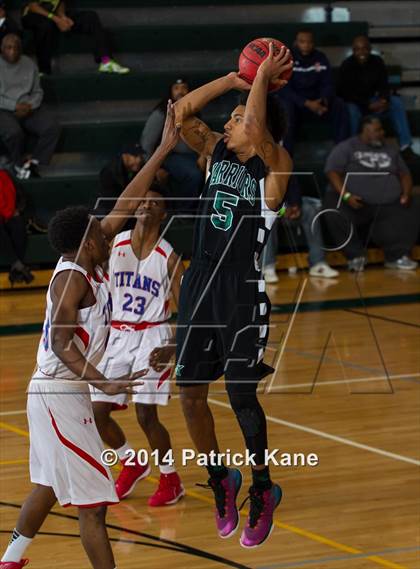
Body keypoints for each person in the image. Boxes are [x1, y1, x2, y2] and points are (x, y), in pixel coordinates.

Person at [0, 102, 179, 569]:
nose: (107, 234)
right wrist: (104, 382)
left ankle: (11, 560)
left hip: (63, 393)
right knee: (95, 507)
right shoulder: (71, 278)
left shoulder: (89, 253)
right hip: (59, 392)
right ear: (87, 243)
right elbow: (61, 343)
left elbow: (123, 202)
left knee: (48, 484)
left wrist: (160, 150)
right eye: (99, 234)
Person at [173, 43, 293, 548]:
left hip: (240, 290)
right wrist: (231, 81)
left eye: (240, 117)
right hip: (200, 281)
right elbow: (182, 113)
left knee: (241, 396)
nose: (229, 123)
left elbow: (259, 133)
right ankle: (222, 477)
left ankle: (263, 488)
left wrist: (263, 77)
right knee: (191, 395)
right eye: (231, 117)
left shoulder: (276, 165)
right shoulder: (214, 154)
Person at [90, 184, 185, 507]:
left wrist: (174, 347)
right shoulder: (114, 244)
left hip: (153, 337)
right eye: (142, 200)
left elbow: (189, 311)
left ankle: (171, 479)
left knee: (146, 415)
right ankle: (131, 462)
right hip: (117, 335)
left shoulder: (168, 256)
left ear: (163, 213)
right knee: (97, 410)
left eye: (154, 202)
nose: (145, 204)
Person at [323, 116, 419, 271]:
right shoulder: (347, 147)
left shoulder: (389, 149)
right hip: (355, 201)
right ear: (365, 131)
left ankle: (397, 256)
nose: (382, 133)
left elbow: (404, 174)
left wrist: (406, 193)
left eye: (381, 129)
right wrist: (346, 195)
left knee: (413, 203)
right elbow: (332, 171)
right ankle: (355, 257)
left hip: (388, 203)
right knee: (333, 205)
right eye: (377, 130)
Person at [337, 35, 419, 163]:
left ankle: (405, 146)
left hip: (374, 100)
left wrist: (384, 100)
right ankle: (355, 149)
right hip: (357, 103)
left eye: (364, 48)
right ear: (353, 51)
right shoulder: (347, 65)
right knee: (350, 109)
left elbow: (384, 85)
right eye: (358, 49)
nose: (361, 52)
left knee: (396, 102)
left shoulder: (377, 61)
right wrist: (368, 105)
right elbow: (345, 93)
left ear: (370, 49)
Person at [275, 28, 349, 155]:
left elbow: (328, 83)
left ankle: (341, 151)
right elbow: (285, 88)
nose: (306, 45)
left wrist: (323, 100)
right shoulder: (288, 59)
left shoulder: (320, 57)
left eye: (309, 42)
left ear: (313, 43)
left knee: (339, 104)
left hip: (317, 102)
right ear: (296, 43)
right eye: (302, 42)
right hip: (297, 104)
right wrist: (306, 103)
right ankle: (286, 154)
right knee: (285, 106)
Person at [0, 34, 60, 179]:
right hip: (4, 109)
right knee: (14, 133)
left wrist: (30, 105)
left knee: (52, 127)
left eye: (16, 48)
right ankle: (17, 164)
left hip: (29, 107)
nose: (12, 51)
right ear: (2, 49)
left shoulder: (29, 64)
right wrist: (14, 105)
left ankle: (34, 162)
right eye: (8, 48)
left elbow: (38, 91)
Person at [141, 78, 204, 210]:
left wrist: (203, 155)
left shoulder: (194, 108)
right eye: (176, 88)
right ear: (170, 91)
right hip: (169, 155)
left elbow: (203, 136)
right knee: (194, 175)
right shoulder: (162, 112)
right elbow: (147, 143)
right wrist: (154, 168)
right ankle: (185, 211)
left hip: (194, 154)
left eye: (184, 88)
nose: (180, 91)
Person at [21, 0, 129, 75]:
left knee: (90, 16)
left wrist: (63, 17)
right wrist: (57, 20)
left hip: (53, 15)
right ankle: (43, 70)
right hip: (33, 15)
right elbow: (32, 6)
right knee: (45, 25)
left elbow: (60, 2)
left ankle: (105, 61)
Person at [262, 185, 339, 282]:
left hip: (286, 207)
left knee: (309, 209)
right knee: (267, 216)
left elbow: (293, 186)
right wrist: (281, 209)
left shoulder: (284, 169)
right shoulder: (255, 171)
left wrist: (295, 205)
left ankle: (318, 264)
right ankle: (267, 267)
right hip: (267, 207)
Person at [0, 169, 34, 285]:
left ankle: (16, 266)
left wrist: (18, 209)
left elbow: (18, 194)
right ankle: (18, 267)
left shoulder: (4, 175)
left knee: (18, 225)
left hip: (8, 213)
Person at [96, 143, 145, 216]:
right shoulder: (110, 172)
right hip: (109, 214)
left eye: (140, 156)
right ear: (124, 155)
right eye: (135, 156)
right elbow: (110, 202)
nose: (139, 160)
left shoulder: (139, 169)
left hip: (126, 212)